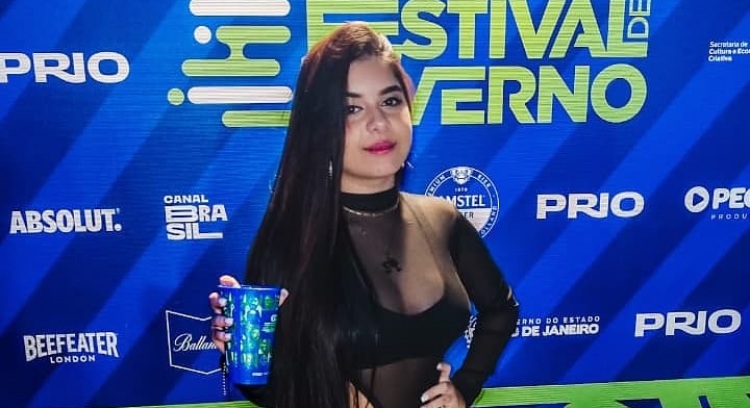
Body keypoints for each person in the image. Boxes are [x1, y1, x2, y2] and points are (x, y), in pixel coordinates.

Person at [209, 21, 519, 408]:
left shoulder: (444, 220)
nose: (379, 123)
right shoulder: (293, 237)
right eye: (352, 109)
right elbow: (267, 388)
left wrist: (465, 388)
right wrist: (242, 348)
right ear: (321, 125)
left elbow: (501, 310)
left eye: (390, 101)